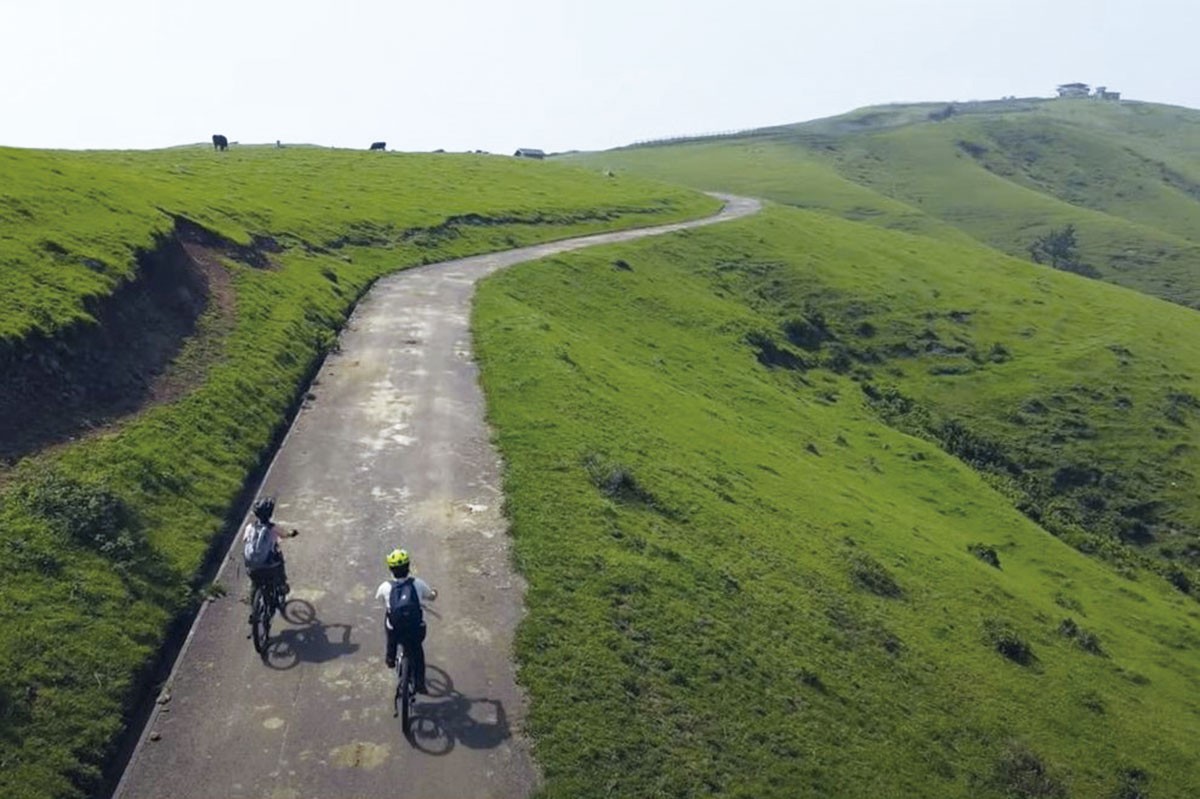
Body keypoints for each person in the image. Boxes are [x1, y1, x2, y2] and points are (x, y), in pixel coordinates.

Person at [376, 548, 437, 693]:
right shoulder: (418, 583)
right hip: (415, 630)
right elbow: (431, 596)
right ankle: (420, 684)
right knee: (418, 652)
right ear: (408, 567)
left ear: (391, 569)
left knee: (389, 625)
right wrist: (434, 593)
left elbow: (379, 600)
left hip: (396, 630)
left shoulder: (385, 587)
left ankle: (390, 658)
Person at [242, 496, 290, 597]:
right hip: (268, 566)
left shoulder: (250, 527)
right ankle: (282, 585)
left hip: (251, 566)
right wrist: (293, 533)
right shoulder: (272, 528)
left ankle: (253, 596)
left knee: (255, 580)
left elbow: (245, 540)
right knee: (279, 559)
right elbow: (285, 535)